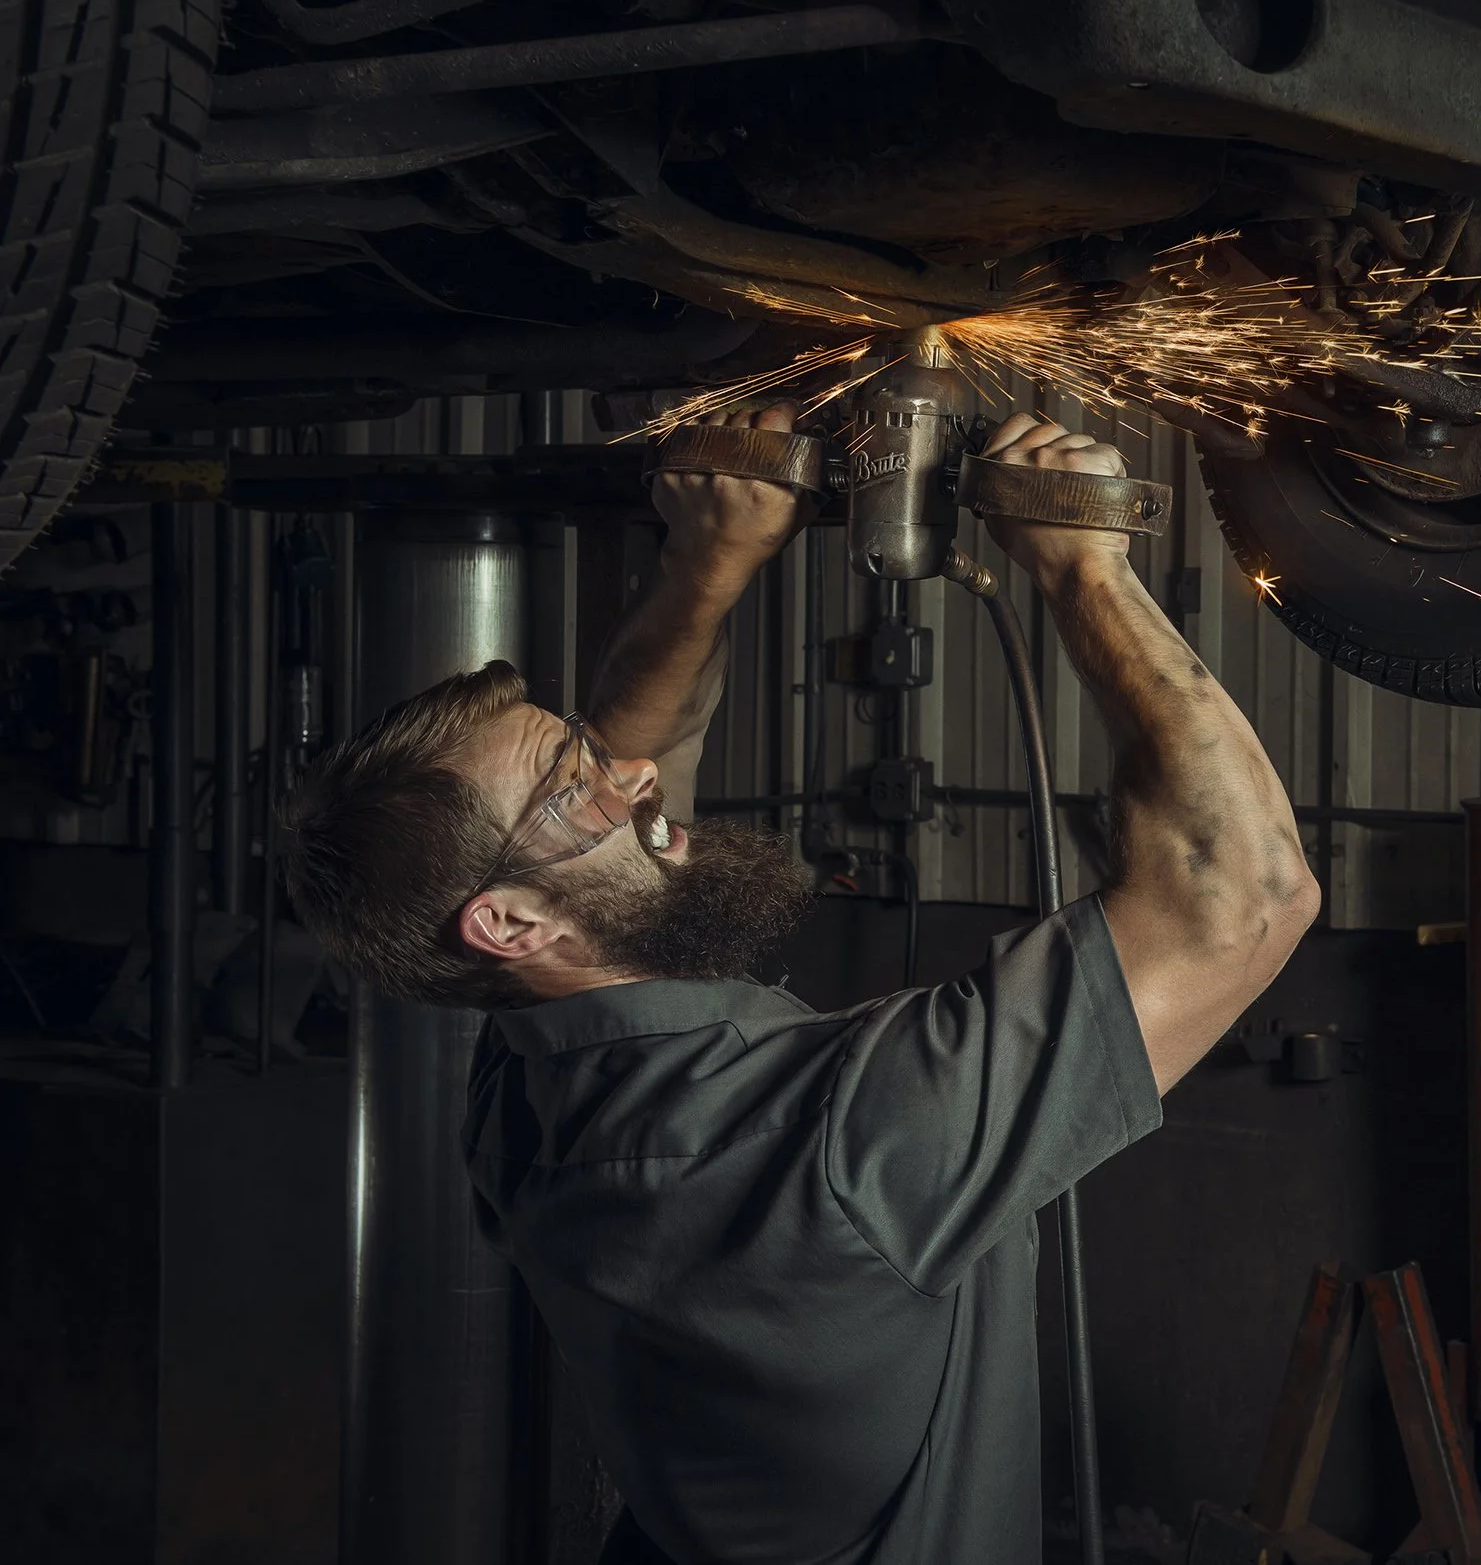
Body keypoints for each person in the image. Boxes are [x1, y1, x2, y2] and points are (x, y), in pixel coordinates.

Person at [282, 406, 1321, 1565]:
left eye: (582, 753)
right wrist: (1083, 566)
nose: (629, 776)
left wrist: (708, 563)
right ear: (509, 922)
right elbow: (1249, 892)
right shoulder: (827, 1142)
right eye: (578, 789)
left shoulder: (527, 1088)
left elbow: (626, 769)